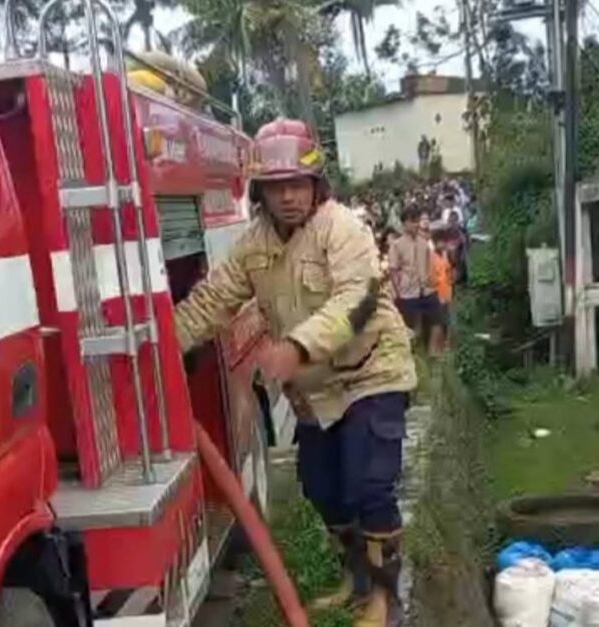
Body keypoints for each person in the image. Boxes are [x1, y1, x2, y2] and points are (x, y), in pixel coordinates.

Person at [175, 118, 416, 626]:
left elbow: (357, 301)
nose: (288, 196)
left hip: (371, 373)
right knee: (323, 489)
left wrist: (297, 347)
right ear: (259, 192)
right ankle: (354, 579)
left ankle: (386, 600)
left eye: (297, 184)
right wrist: (166, 343)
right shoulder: (255, 242)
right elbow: (214, 299)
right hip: (315, 391)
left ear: (315, 185)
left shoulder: (343, 228)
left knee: (370, 486)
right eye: (276, 187)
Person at [388, 205, 443, 355]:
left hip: (426, 289)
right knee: (412, 330)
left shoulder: (423, 242)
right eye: (412, 221)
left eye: (417, 221)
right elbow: (393, 271)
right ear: (404, 223)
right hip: (407, 292)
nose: (416, 224)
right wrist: (398, 292)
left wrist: (432, 281)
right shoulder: (396, 245)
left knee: (437, 320)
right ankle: (413, 358)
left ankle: (433, 356)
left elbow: (428, 263)